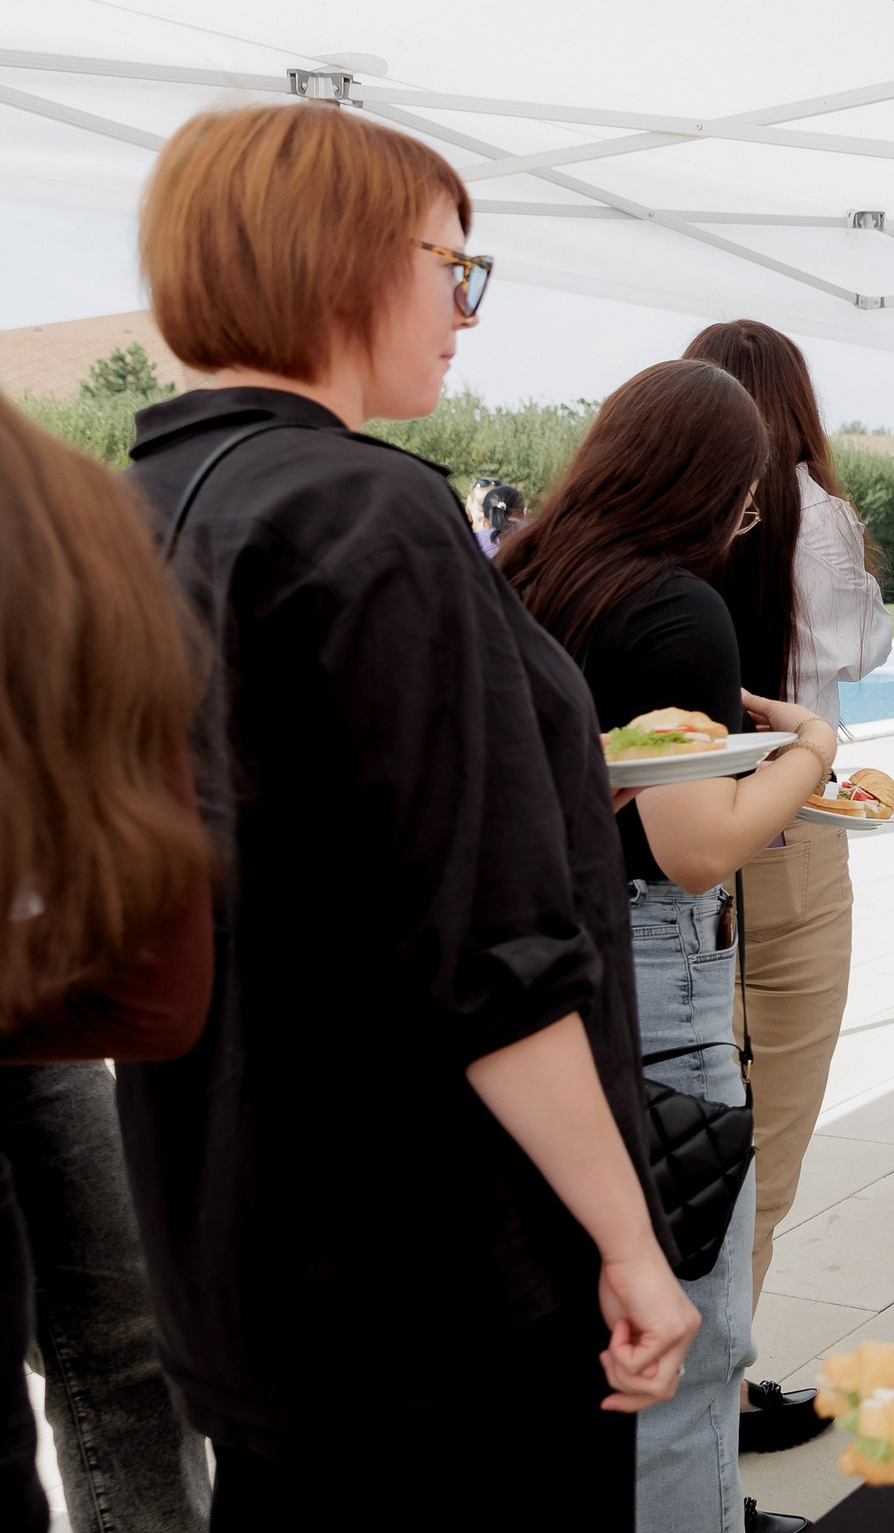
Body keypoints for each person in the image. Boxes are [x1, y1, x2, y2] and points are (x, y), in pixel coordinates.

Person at [119, 102, 696, 1529]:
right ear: (342, 258)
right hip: (430, 1278)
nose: (465, 311)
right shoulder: (369, 513)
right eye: (457, 265)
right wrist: (628, 1237)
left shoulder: (141, 503)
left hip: (235, 1235)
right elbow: (488, 947)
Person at [502, 361, 836, 1533]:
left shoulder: (522, 575)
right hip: (658, 966)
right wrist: (809, 750)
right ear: (715, 489)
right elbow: (698, 846)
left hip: (540, 972)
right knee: (692, 1333)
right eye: (747, 505)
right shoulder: (679, 606)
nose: (744, 527)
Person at [0, 400, 218, 1533]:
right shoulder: (66, 511)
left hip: (32, 1018)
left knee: (126, 1337)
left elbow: (155, 991)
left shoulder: (59, 510)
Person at [683, 322, 892, 1456]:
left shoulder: (669, 521)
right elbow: (859, 654)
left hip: (674, 837)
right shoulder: (815, 512)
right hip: (791, 826)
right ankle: (711, 1404)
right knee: (766, 1139)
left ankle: (701, 1386)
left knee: (691, 1128)